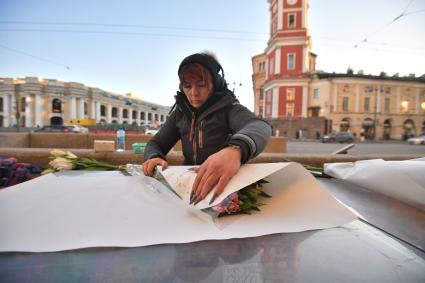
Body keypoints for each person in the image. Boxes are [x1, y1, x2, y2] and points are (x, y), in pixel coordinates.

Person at [142, 52, 272, 205]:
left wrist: (235, 149)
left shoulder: (229, 107)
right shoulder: (180, 113)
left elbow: (259, 125)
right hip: (189, 185)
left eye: (201, 85)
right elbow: (155, 143)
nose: (194, 93)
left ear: (216, 83)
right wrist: (153, 157)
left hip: (223, 186)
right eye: (187, 86)